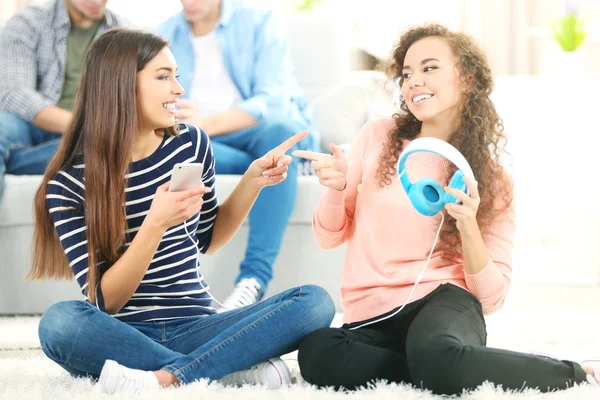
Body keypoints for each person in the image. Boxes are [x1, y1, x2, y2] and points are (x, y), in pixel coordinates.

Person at [293, 23, 599, 395]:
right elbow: (328, 237)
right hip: (369, 315)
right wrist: (337, 190)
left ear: (467, 78)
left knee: (436, 352)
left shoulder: (493, 180)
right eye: (406, 73)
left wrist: (468, 225)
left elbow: (491, 297)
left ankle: (574, 373)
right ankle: (441, 366)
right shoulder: (378, 136)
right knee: (317, 353)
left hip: (443, 303)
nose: (413, 81)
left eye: (429, 68)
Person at [30, 28, 334, 396]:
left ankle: (170, 376)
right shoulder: (69, 183)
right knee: (59, 323)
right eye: (163, 76)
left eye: (177, 75)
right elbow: (105, 301)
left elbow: (208, 239)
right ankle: (221, 367)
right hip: (123, 332)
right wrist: (155, 223)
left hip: (199, 323)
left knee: (314, 301)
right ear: (121, 84)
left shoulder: (190, 143)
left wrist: (252, 182)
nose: (179, 89)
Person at [155, 0, 318, 309]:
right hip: (211, 142)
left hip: (258, 128)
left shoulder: (260, 22)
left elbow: (273, 100)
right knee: (176, 145)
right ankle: (277, 166)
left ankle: (252, 280)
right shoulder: (162, 35)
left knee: (281, 131)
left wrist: (206, 122)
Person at [0, 0, 128, 201]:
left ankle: (12, 161)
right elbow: (14, 92)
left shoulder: (125, 34)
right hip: (29, 123)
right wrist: (79, 124)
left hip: (84, 137)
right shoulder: (28, 22)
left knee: (97, 150)